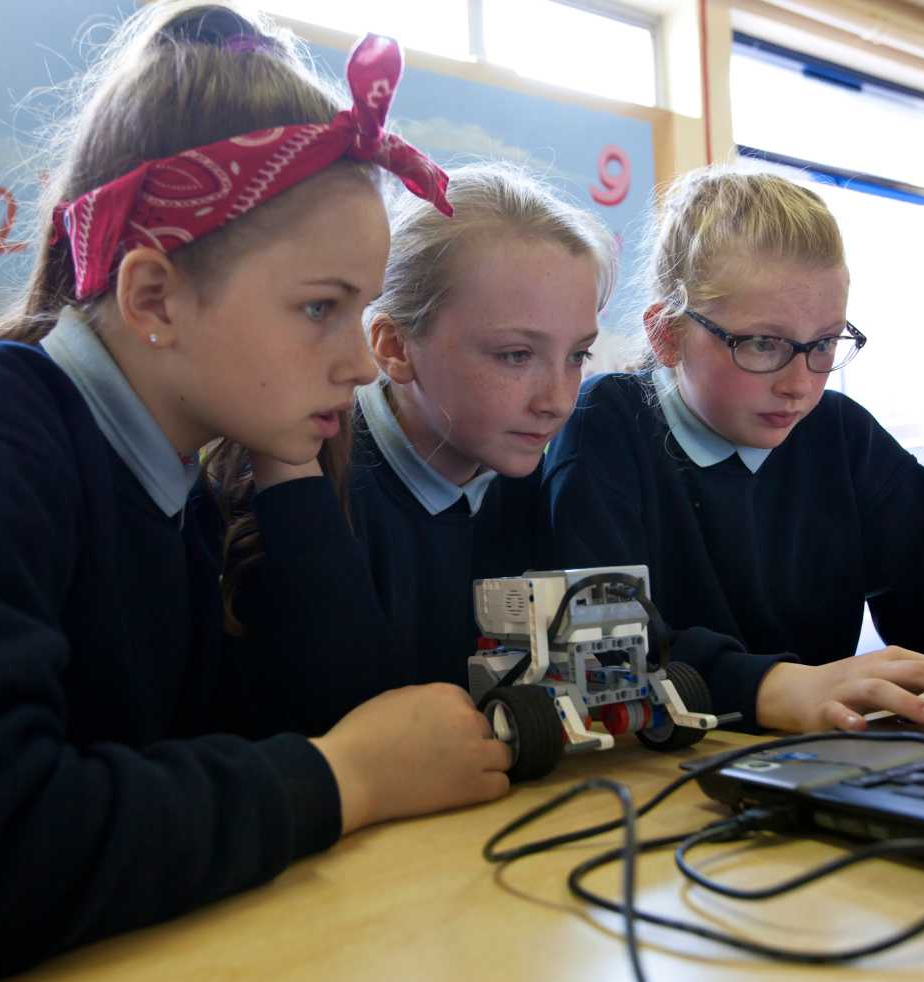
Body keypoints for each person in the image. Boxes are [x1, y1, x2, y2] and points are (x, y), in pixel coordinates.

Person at [0, 6, 510, 982]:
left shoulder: (170, 487)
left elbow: (229, 746)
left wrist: (288, 461)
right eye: (318, 307)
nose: (358, 364)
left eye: (361, 310)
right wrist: (343, 778)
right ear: (153, 296)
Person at [541, 164, 924, 735]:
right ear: (667, 334)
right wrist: (768, 687)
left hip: (824, 758)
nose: (800, 384)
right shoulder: (604, 425)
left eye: (825, 344)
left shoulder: (836, 431)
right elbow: (603, 654)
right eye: (763, 344)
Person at [216, 162, 626, 734]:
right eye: (515, 355)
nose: (557, 401)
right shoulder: (302, 474)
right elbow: (347, 724)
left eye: (577, 356)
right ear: (394, 346)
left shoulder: (537, 477)